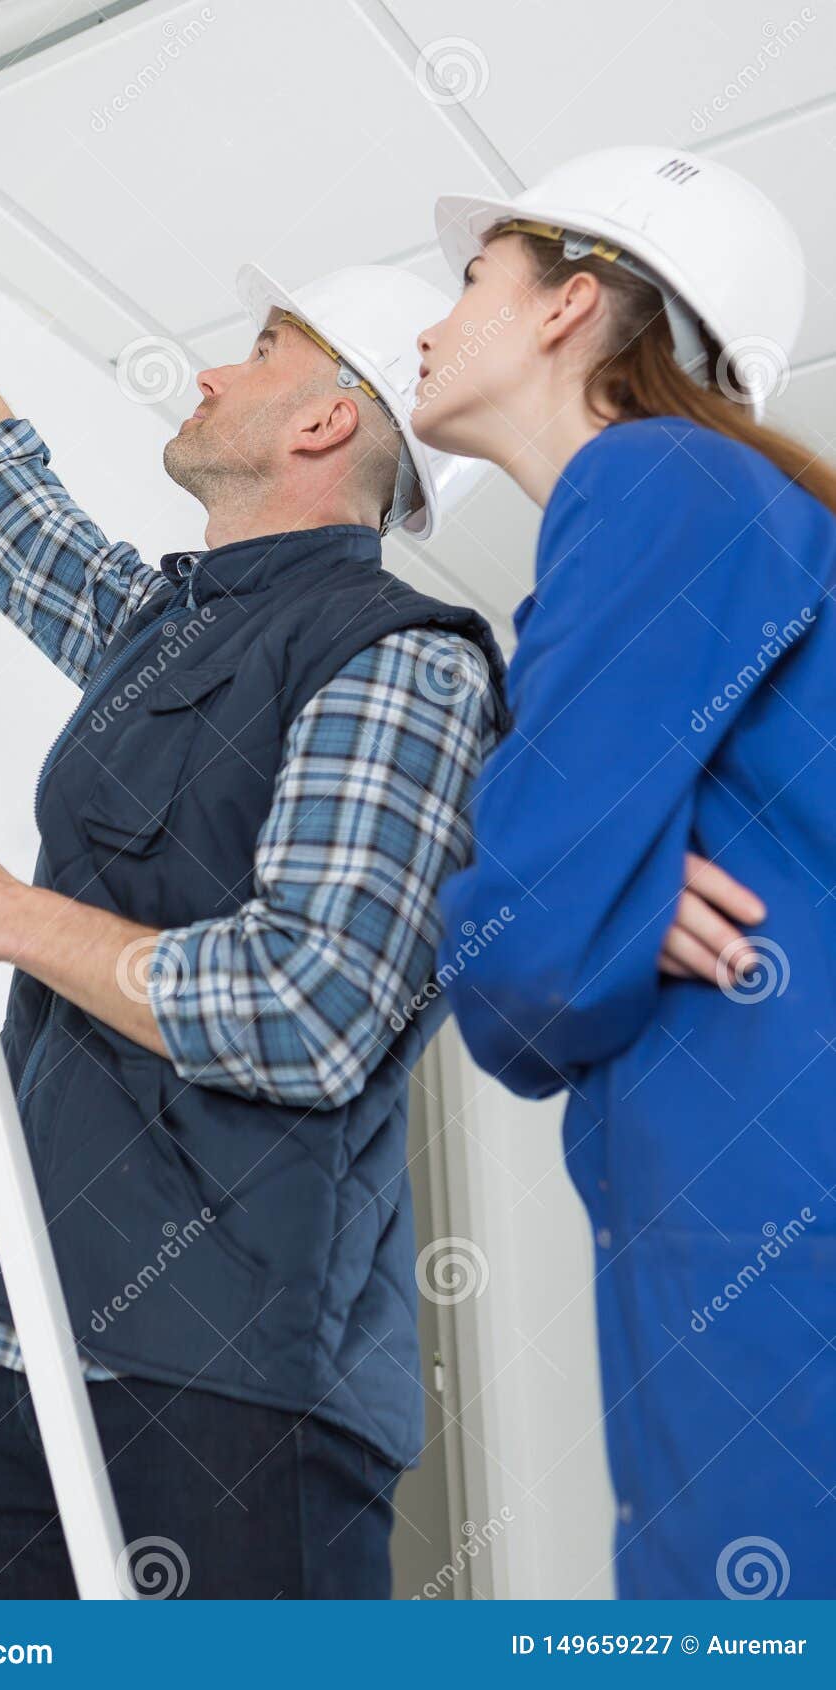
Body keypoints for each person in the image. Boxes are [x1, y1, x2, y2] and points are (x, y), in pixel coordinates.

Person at [0, 64, 511, 1599]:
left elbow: (310, 1006)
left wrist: (7, 915)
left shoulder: (401, 660)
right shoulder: (163, 634)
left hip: (236, 1393)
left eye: (261, 351)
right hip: (41, 1344)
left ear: (327, 416)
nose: (209, 373)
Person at [411, 144, 836, 1599]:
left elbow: (522, 965)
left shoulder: (655, 479)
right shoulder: (700, 510)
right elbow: (554, 919)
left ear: (567, 305)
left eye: (471, 278)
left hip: (767, 1201)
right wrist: (612, 891)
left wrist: (590, 899)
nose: (429, 323)